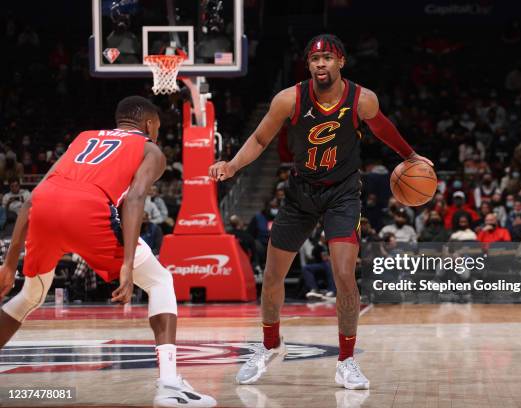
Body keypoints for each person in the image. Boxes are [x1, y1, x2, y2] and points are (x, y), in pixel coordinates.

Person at [209, 34, 432, 389]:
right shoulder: (289, 99)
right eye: (315, 60)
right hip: (300, 193)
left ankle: (346, 361)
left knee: (344, 274)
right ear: (308, 65)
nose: (320, 65)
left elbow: (384, 129)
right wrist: (233, 166)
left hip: (343, 194)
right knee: (271, 276)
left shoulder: (362, 99)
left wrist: (411, 157)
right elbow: (260, 139)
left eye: (327, 58)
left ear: (340, 62)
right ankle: (270, 346)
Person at [0, 96, 215, 408]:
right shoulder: (150, 149)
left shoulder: (85, 137)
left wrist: (9, 265)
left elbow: (34, 196)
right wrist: (127, 263)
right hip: (87, 210)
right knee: (160, 282)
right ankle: (169, 385)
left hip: (45, 206)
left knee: (30, 296)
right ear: (150, 124)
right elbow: (136, 196)